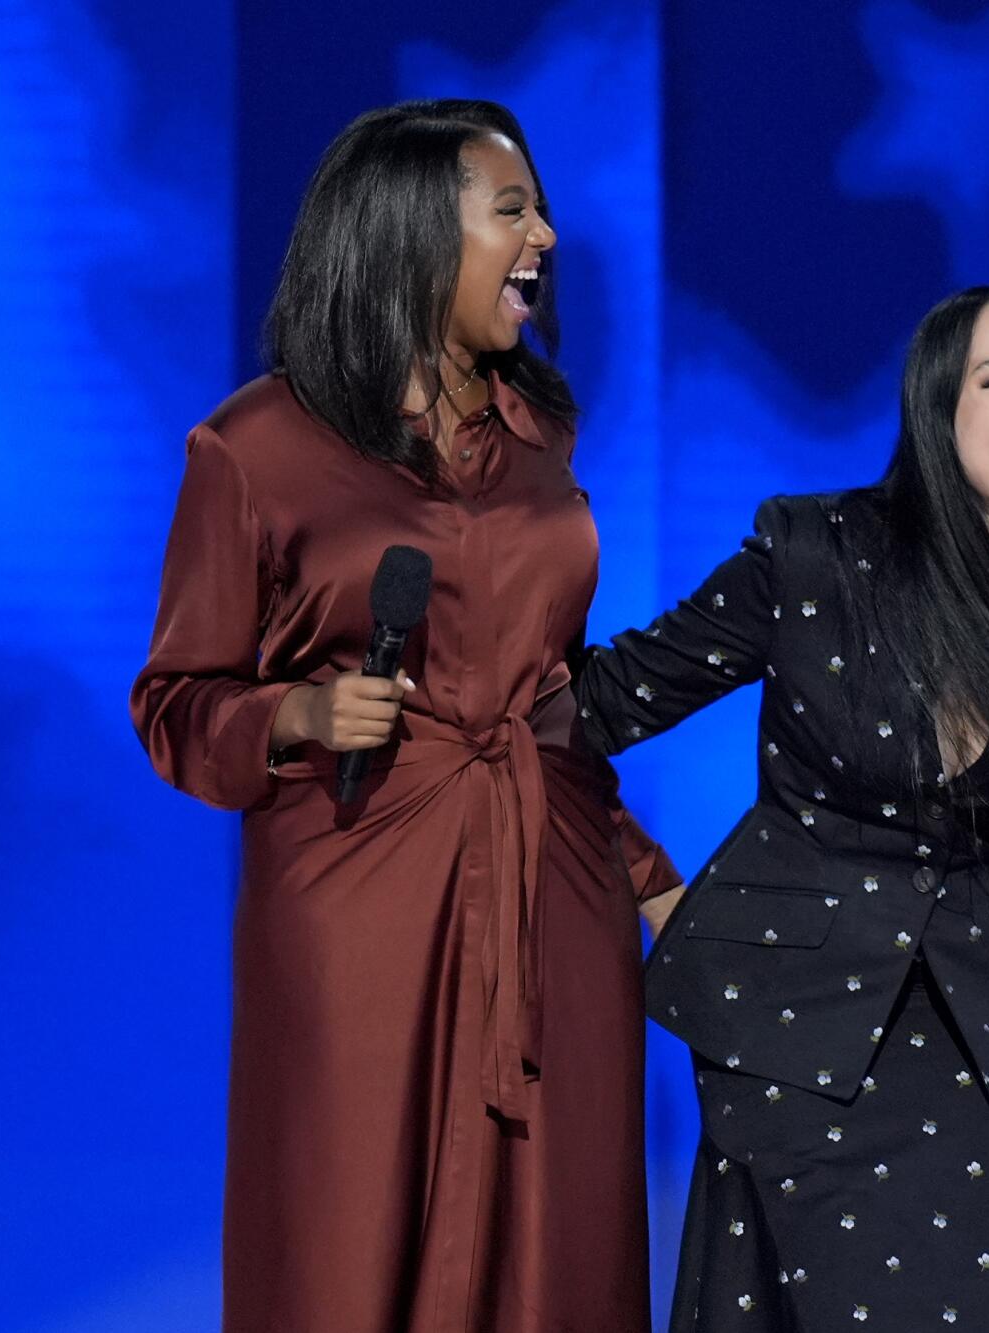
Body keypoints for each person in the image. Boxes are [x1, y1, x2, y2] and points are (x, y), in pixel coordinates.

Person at [130, 100, 679, 1332]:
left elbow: (553, 693)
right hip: (357, 909)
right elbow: (174, 703)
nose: (546, 233)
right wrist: (302, 711)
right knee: (339, 1244)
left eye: (538, 207)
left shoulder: (542, 431)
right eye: (512, 210)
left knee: (561, 1252)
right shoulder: (252, 447)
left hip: (554, 900)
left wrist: (644, 877)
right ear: (413, 236)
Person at [576, 285, 989, 1330]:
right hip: (795, 1037)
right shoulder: (816, 553)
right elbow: (593, 707)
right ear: (936, 415)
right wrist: (648, 876)